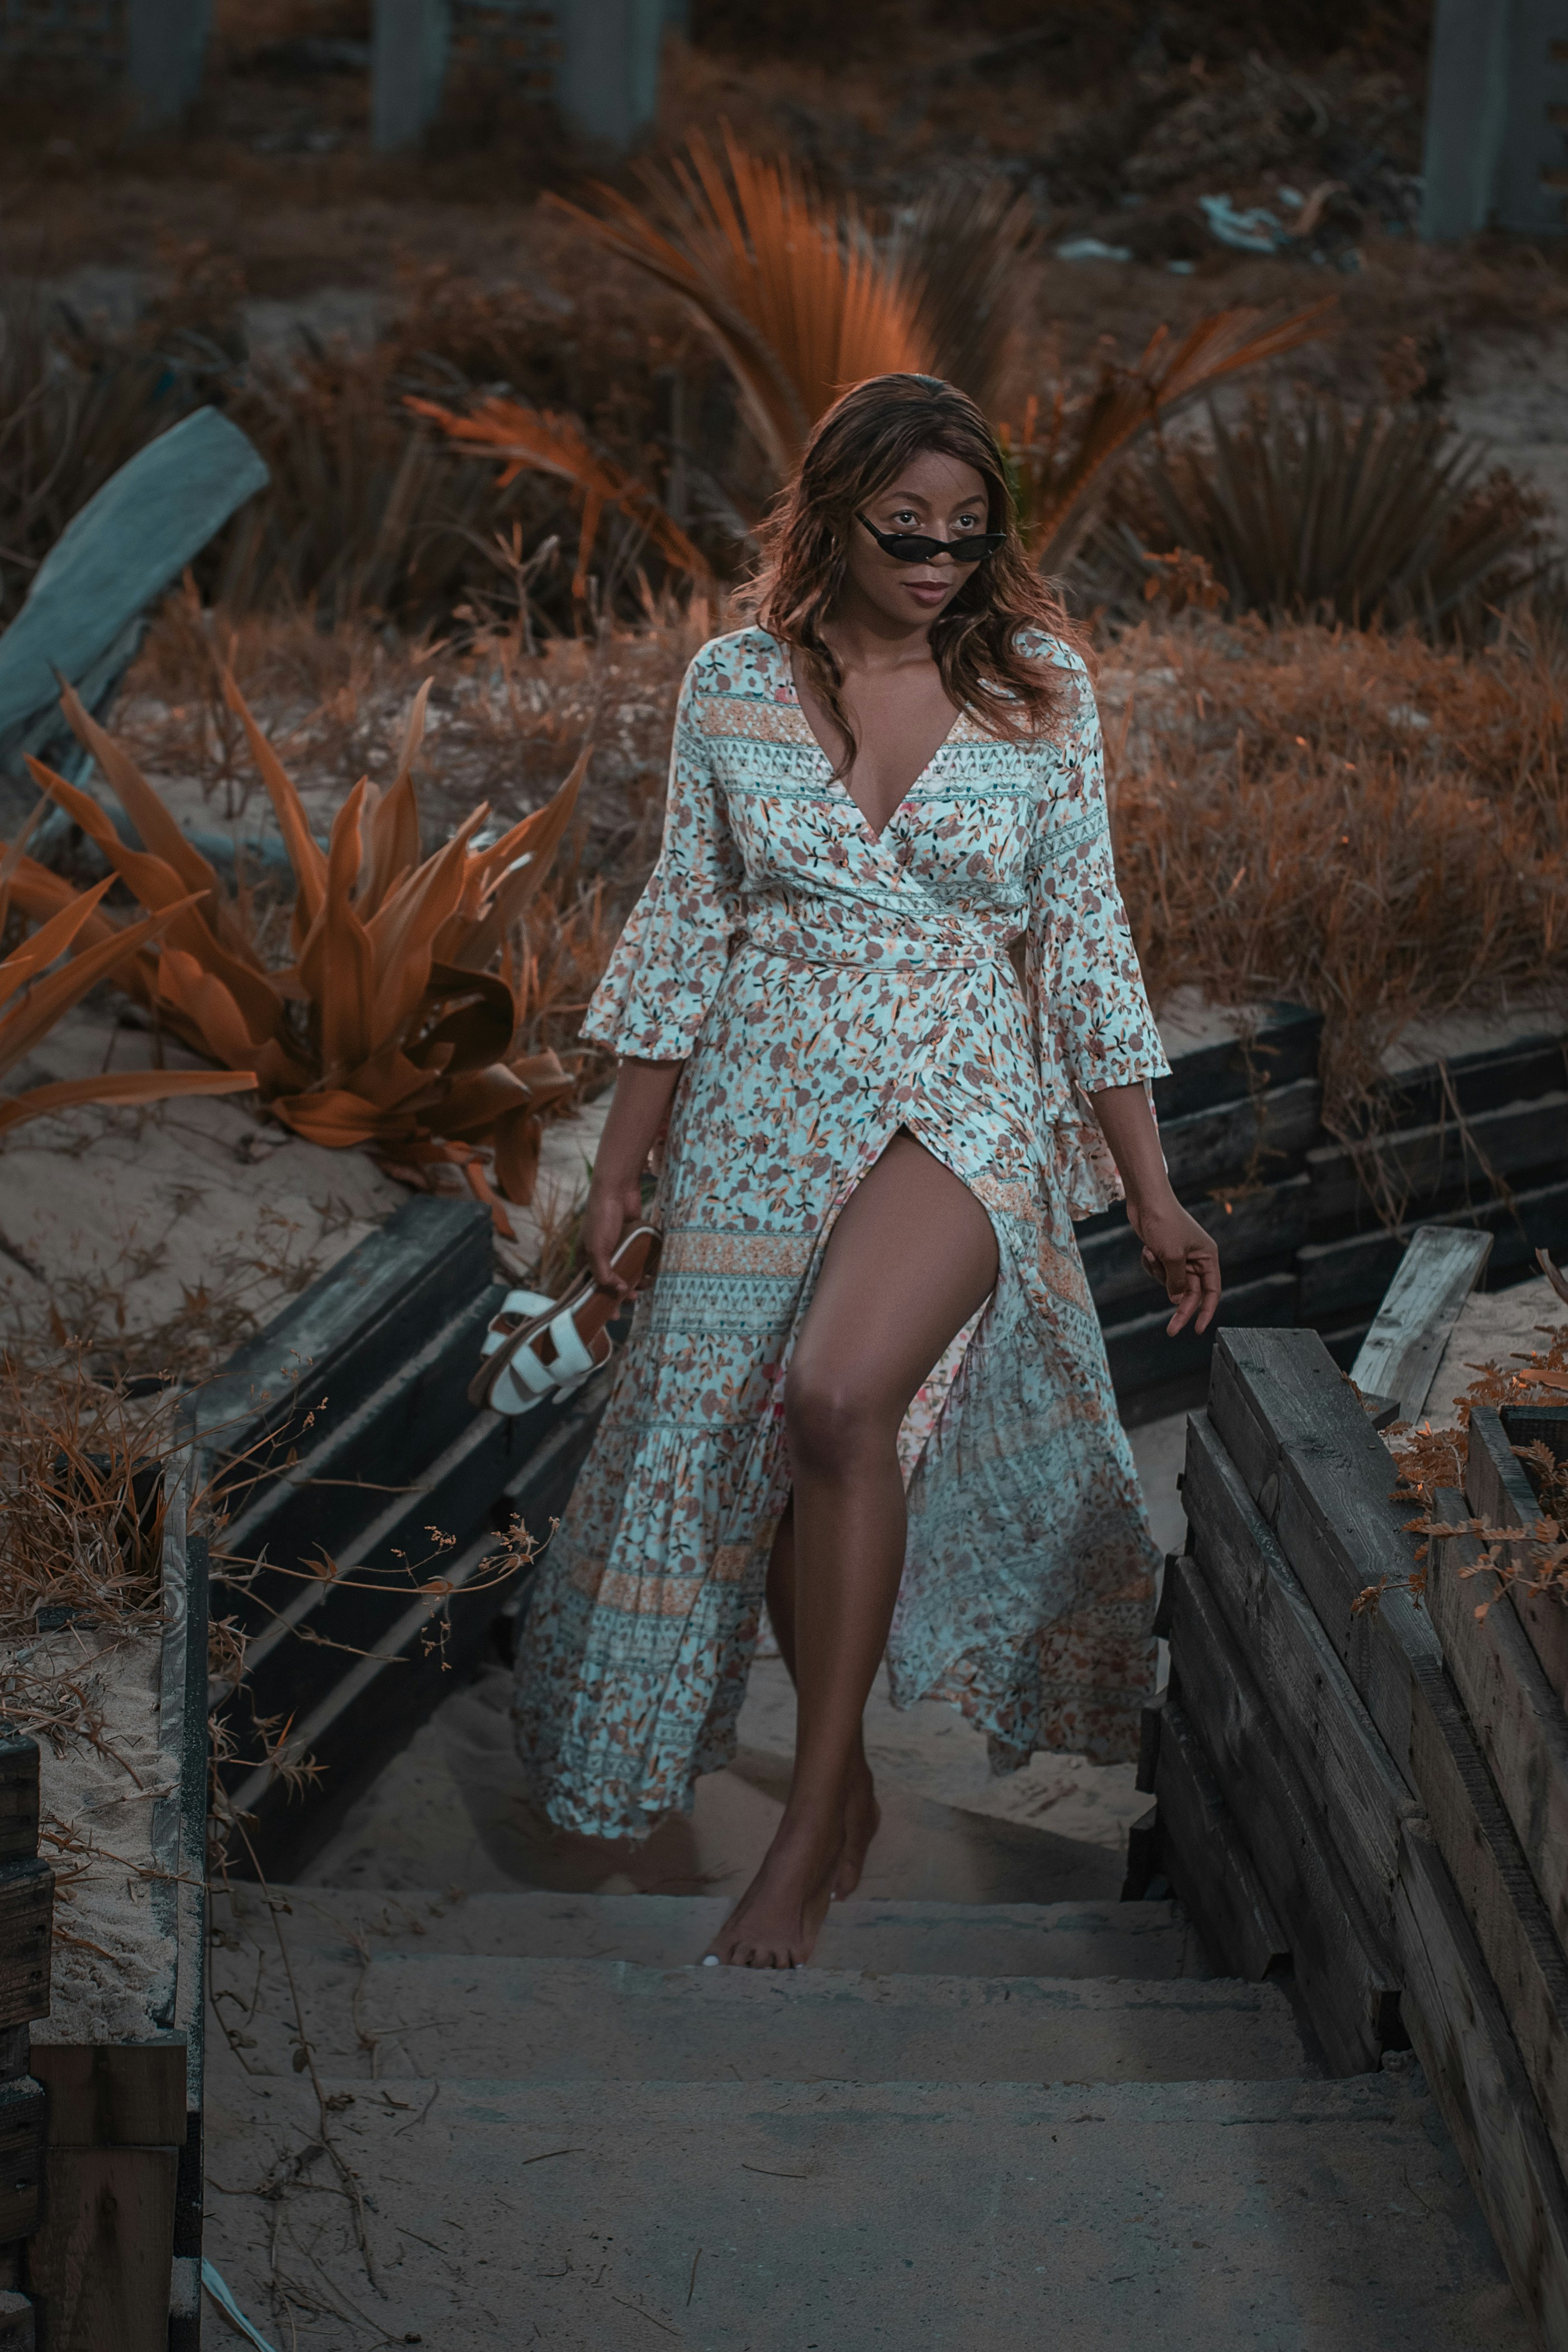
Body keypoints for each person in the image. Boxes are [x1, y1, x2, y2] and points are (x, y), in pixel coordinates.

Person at [512, 372, 1220, 1968]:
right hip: (761, 1098)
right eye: (908, 530)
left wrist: (1152, 1188)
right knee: (774, 1440)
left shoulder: (1045, 685)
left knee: (839, 1399)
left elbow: (1085, 942)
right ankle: (834, 1798)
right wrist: (620, 1167)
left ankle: (810, 1819)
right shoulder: (732, 687)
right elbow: (686, 924)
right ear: (833, 514)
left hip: (961, 1093)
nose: (937, 563)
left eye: (970, 537)